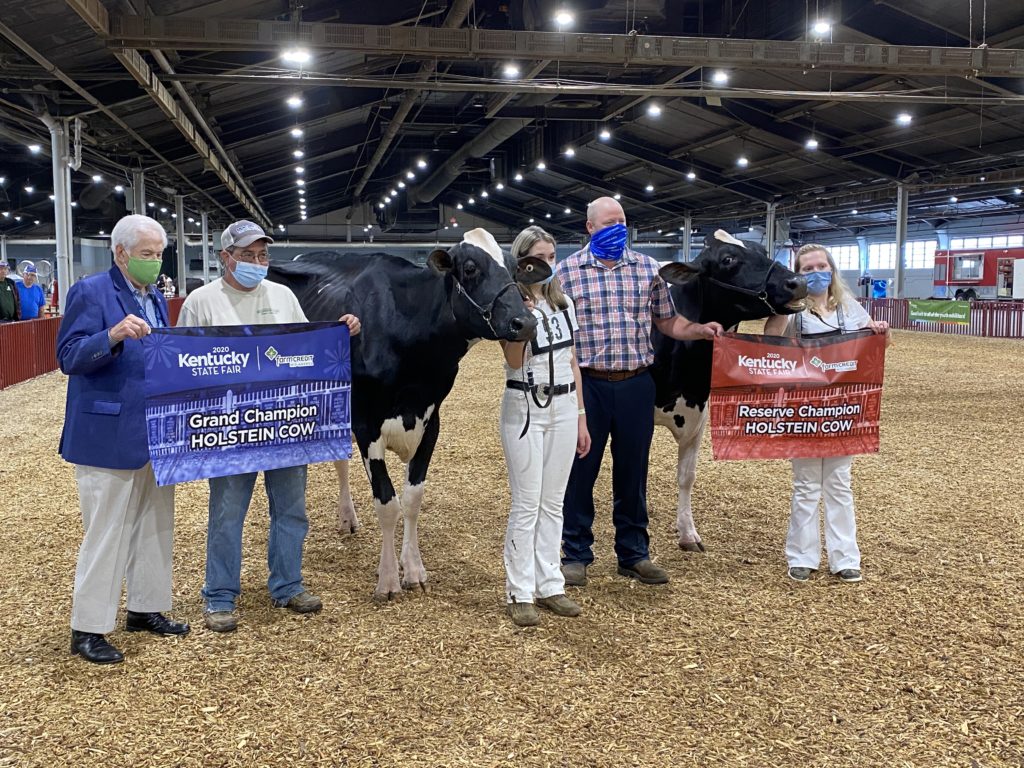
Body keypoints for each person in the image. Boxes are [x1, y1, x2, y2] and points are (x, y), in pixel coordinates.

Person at [178, 220, 361, 633]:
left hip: (284, 423)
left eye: (263, 255)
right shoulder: (201, 302)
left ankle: (288, 585)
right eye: (248, 255)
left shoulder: (282, 295)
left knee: (291, 509)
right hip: (229, 428)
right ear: (225, 257)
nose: (257, 262)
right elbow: (184, 365)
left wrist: (340, 331)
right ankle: (220, 595)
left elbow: (306, 348)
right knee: (227, 513)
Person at [555, 197, 723, 588]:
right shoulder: (566, 273)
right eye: (609, 223)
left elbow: (668, 321)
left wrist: (699, 330)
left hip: (636, 383)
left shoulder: (648, 269)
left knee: (634, 471)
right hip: (588, 384)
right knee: (581, 470)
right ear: (590, 228)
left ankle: (633, 553)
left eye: (622, 222)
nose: (618, 229)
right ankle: (576, 554)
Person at [57, 214, 190, 665]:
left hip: (155, 431)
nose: (155, 261)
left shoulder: (156, 297)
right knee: (106, 533)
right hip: (107, 432)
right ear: (120, 253)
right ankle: (88, 628)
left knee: (156, 524)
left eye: (159, 254)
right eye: (146, 254)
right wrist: (111, 335)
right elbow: (68, 356)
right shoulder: (91, 291)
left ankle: (145, 609)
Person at [763, 243, 892, 584]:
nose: (816, 273)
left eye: (821, 266)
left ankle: (845, 557)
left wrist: (882, 331)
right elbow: (768, 345)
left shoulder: (849, 307)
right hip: (803, 409)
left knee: (839, 483)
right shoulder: (790, 311)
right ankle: (802, 557)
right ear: (797, 274)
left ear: (832, 270)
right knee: (806, 484)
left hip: (841, 409)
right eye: (808, 268)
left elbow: (876, 346)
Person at [499, 226, 591, 627]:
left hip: (565, 404)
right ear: (521, 261)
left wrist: (581, 415)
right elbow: (514, 361)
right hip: (525, 404)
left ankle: (551, 583)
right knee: (527, 502)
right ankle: (520, 590)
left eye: (552, 257)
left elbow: (573, 360)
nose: (546, 265)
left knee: (554, 501)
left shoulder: (564, 303)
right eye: (538, 258)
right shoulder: (510, 305)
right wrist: (521, 318)